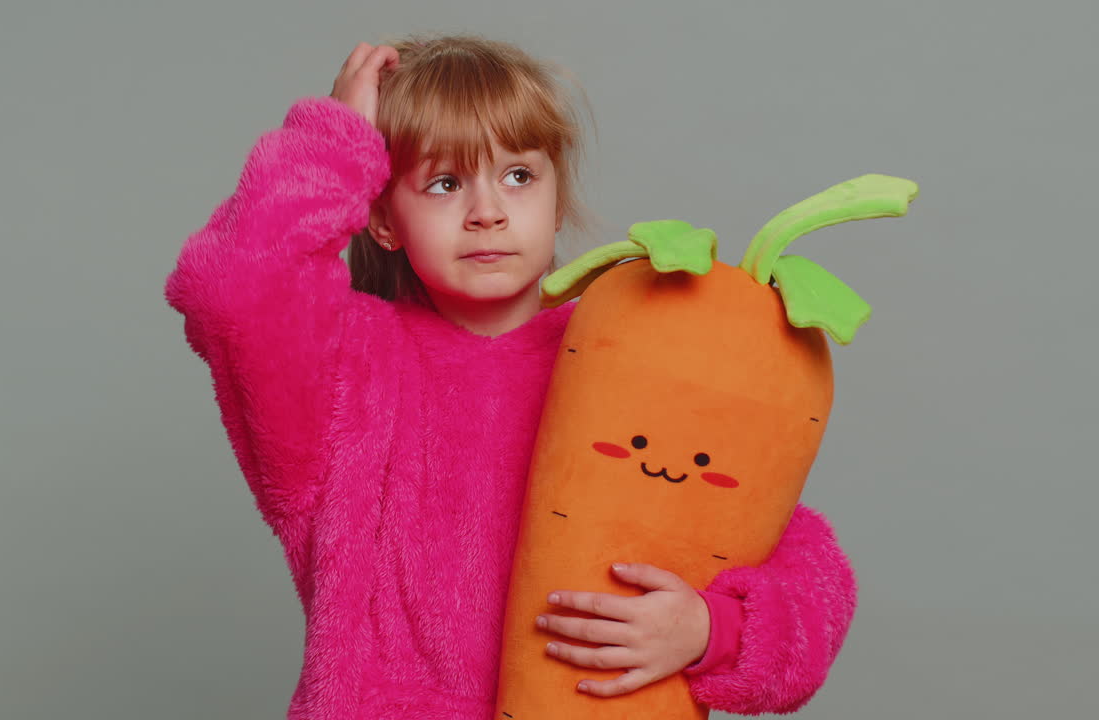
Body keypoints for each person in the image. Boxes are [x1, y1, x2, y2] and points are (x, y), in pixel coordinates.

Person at [164, 33, 857, 720]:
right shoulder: (342, 374)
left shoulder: (640, 355)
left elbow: (806, 570)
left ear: (558, 200)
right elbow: (232, 288)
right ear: (380, 218)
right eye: (444, 182)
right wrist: (335, 142)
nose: (488, 211)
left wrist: (711, 632)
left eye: (519, 175)